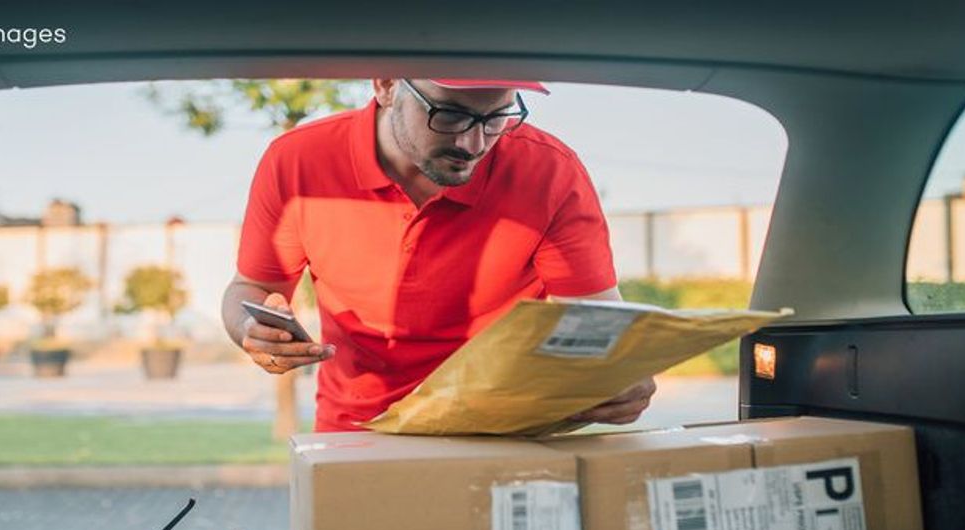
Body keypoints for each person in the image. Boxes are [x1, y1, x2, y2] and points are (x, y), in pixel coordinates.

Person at [222, 78, 657, 432]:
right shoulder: (297, 162)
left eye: (497, 116)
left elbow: (597, 322)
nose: (473, 142)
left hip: (500, 430)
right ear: (386, 85)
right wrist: (250, 328)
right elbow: (253, 288)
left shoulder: (550, 172)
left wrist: (622, 372)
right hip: (357, 430)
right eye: (449, 115)